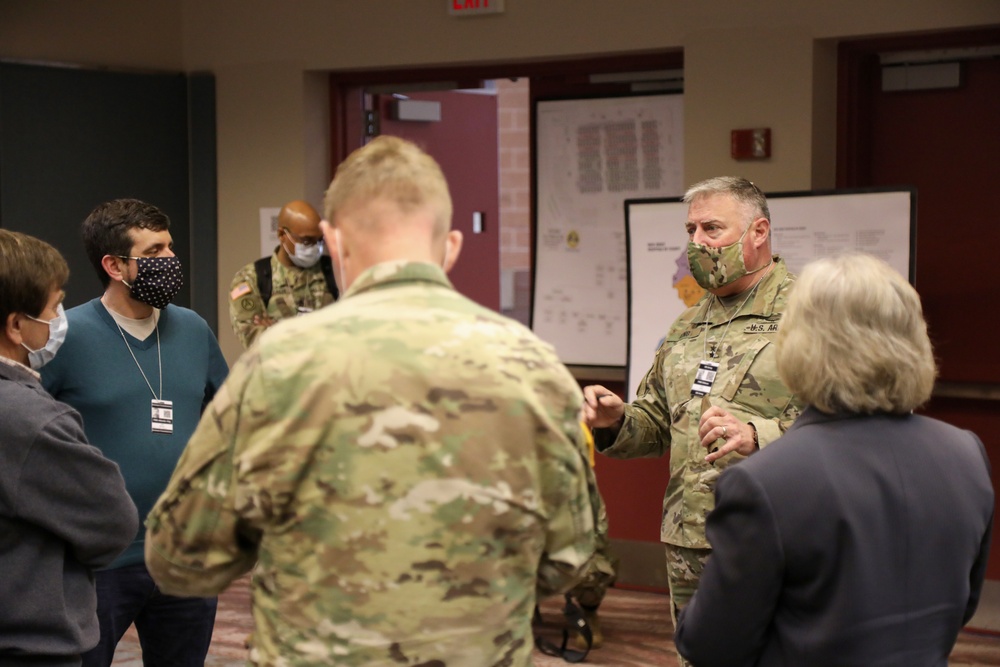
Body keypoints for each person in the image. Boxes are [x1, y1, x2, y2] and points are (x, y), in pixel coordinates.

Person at [145, 135, 600, 666]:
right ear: (451, 245)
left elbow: (181, 557)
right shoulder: (534, 365)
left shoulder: (279, 365)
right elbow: (571, 557)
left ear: (333, 242)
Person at [674, 252, 994, 667]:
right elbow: (963, 603)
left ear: (799, 344)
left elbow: (710, 644)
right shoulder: (966, 453)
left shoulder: (766, 481)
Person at [582, 176, 803, 665]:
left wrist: (760, 435)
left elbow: (849, 421)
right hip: (690, 538)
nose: (697, 242)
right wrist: (617, 420)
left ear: (759, 231)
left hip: (777, 537)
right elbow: (655, 424)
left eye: (712, 229)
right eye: (691, 230)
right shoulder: (688, 323)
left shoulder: (811, 313)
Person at [41, 199, 229, 667]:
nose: (169, 260)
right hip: (99, 560)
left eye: (170, 247)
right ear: (114, 265)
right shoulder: (65, 335)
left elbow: (230, 417)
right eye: (154, 250)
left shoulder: (193, 329)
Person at [0, 230, 137, 667]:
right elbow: (112, 524)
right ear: (16, 325)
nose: (61, 318)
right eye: (54, 306)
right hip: (29, 646)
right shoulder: (31, 419)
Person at [229, 199, 338, 349]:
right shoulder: (251, 279)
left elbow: (355, 331)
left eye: (320, 240)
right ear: (282, 235)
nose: (315, 247)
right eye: (307, 241)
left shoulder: (335, 272)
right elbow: (257, 344)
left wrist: (275, 330)